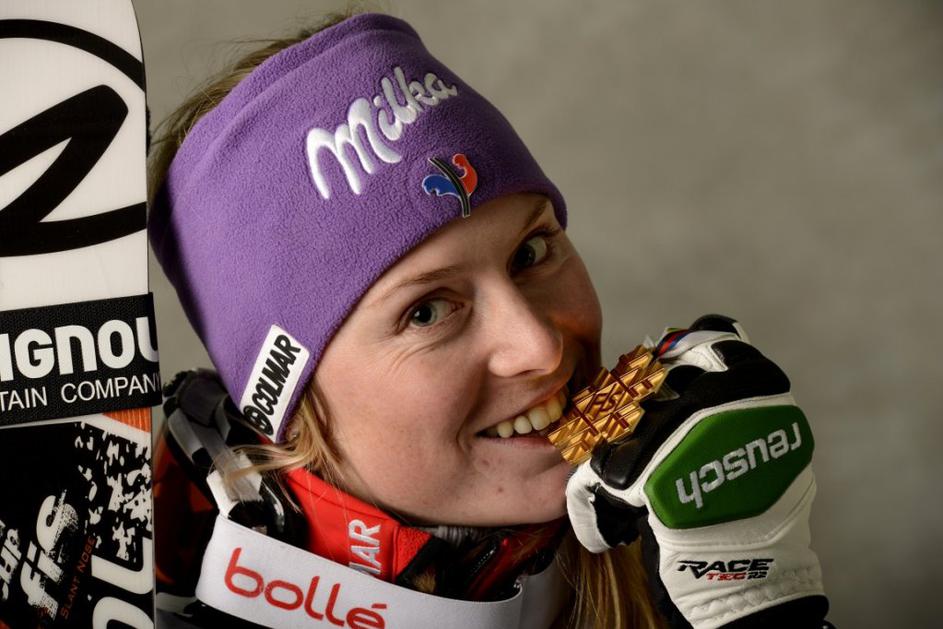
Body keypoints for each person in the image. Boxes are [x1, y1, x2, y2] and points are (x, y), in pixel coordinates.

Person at [147, 10, 830, 628]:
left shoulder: (674, 547)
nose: (539, 345)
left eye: (530, 252)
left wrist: (758, 608)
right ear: (288, 408)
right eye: (426, 311)